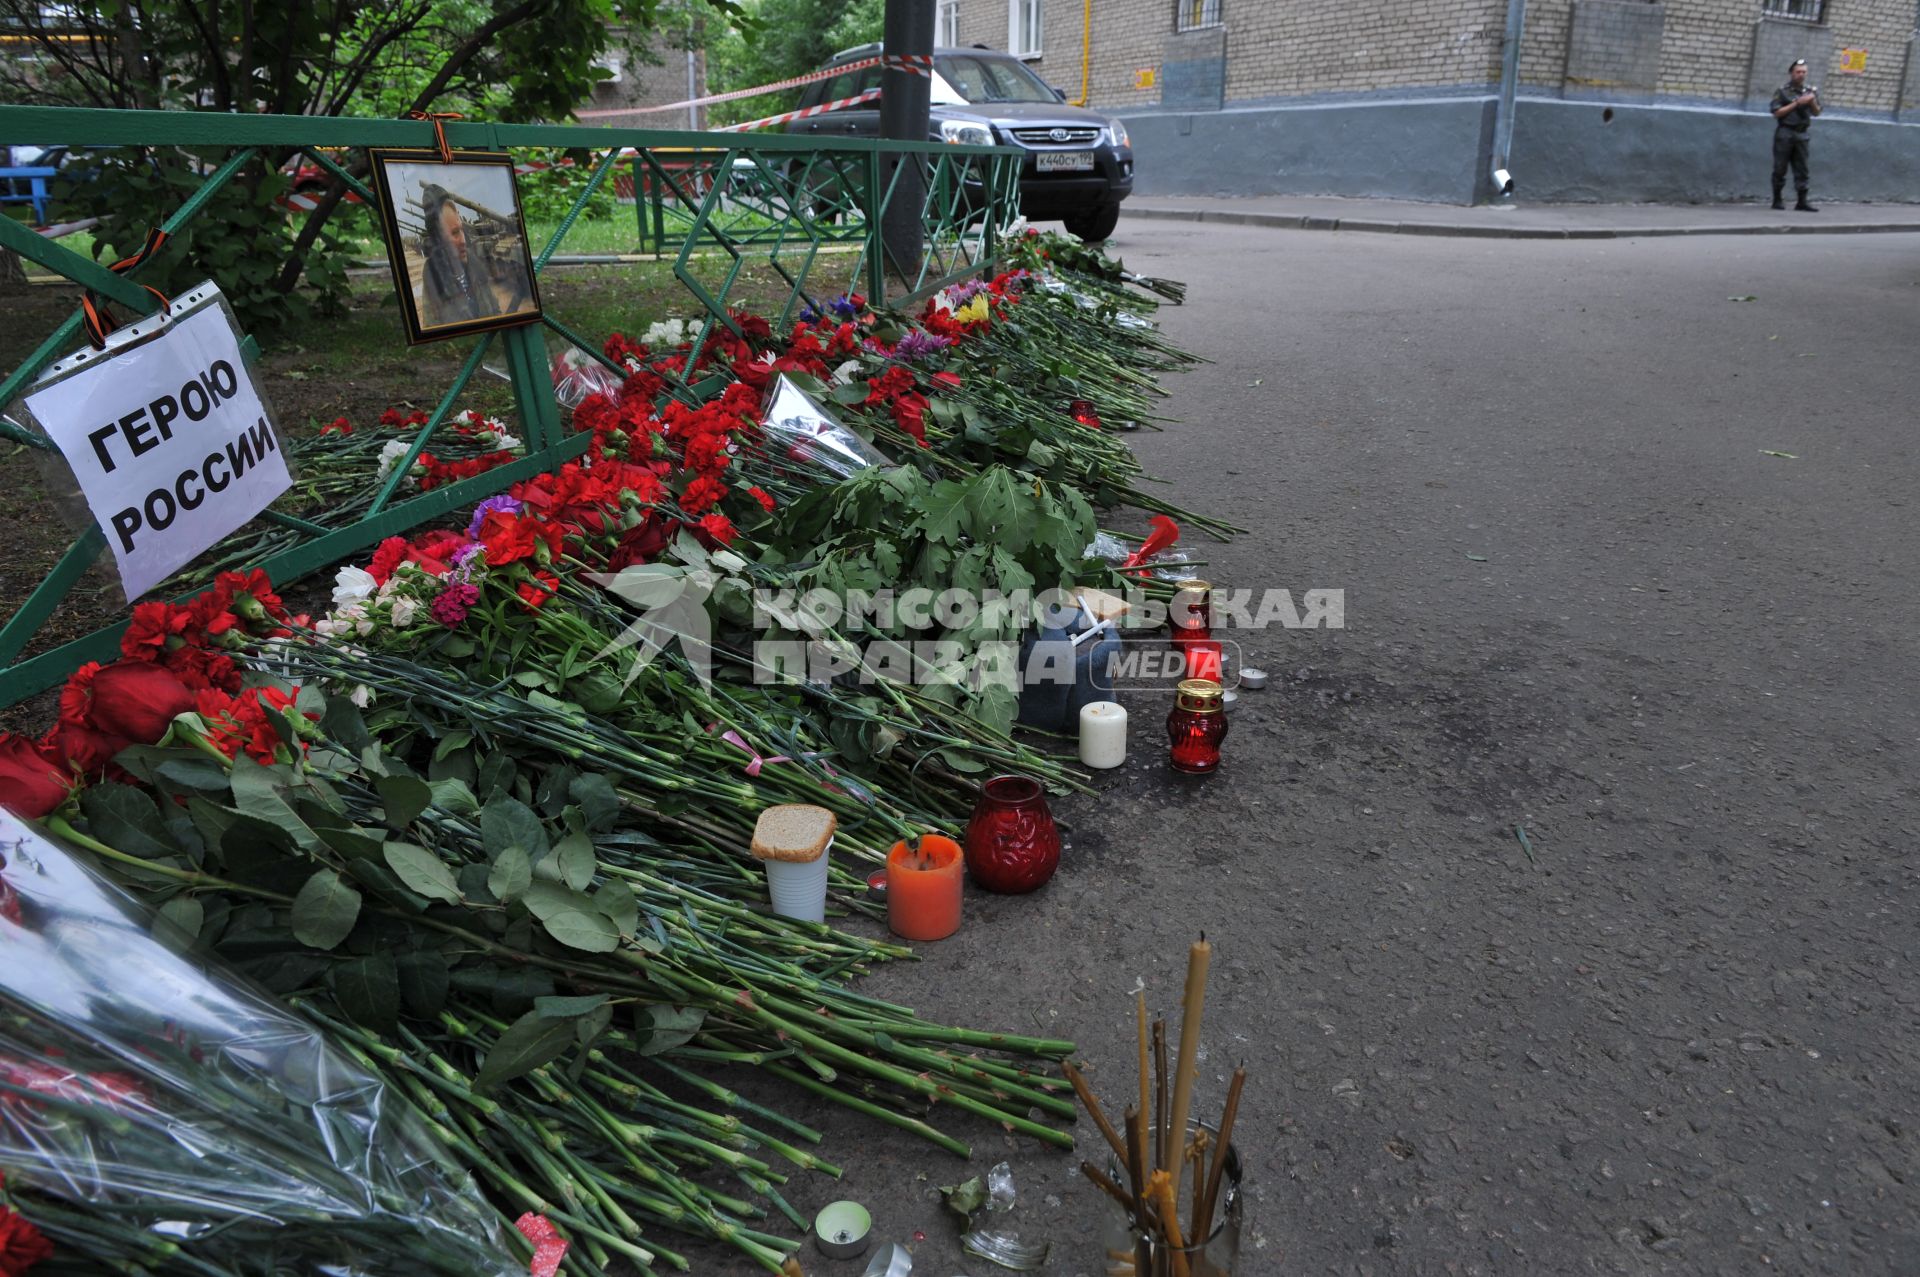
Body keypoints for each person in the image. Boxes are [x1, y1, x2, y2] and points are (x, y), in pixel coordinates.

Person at [418, 185, 499, 325]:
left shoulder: (475, 265)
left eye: (461, 230)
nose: (463, 240)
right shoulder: (434, 276)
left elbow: (495, 311)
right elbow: (435, 333)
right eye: (455, 233)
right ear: (438, 240)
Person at [1769, 58, 1821, 212]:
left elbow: (1817, 112)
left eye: (1804, 72)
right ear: (1791, 73)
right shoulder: (1782, 91)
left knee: (1802, 168)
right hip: (1785, 132)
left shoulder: (1810, 92)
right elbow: (1777, 112)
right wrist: (1797, 103)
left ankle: (1802, 201)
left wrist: (1811, 101)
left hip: (1802, 133)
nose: (1801, 75)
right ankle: (1777, 200)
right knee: (1780, 167)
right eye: (1798, 72)